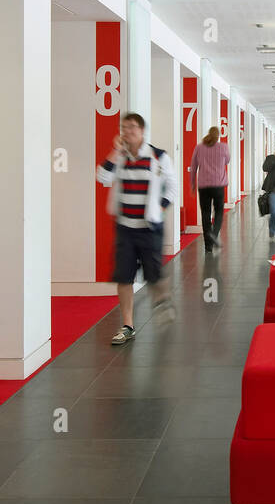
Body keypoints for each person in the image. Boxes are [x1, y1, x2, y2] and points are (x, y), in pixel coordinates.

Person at [98, 112, 179, 344]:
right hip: (125, 227)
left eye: (132, 127)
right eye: (124, 127)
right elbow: (102, 177)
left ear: (142, 131)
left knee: (153, 274)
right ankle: (127, 325)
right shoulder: (120, 157)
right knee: (124, 277)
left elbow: (172, 187)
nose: (127, 131)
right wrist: (116, 152)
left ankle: (162, 300)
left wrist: (158, 209)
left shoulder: (158, 156)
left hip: (149, 227)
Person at [188, 125, 229, 254]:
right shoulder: (223, 147)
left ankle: (208, 247)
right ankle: (214, 234)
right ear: (218, 136)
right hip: (218, 185)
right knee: (219, 212)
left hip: (203, 186)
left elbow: (193, 166)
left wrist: (192, 184)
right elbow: (227, 161)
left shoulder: (199, 147)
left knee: (205, 214)